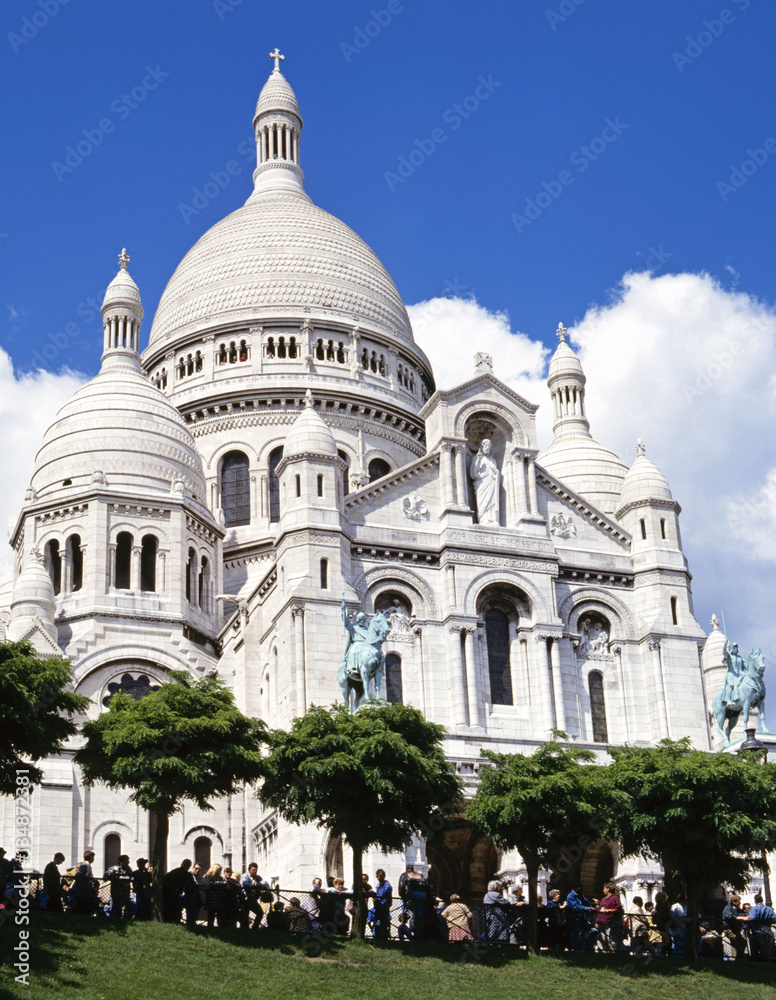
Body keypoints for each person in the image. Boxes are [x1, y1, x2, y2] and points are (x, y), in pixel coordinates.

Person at [399, 865, 436, 942]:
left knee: (410, 913)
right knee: (418, 914)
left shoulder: (404, 875)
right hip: (423, 896)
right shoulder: (420, 875)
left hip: (412, 895)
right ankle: (418, 933)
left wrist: (403, 896)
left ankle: (411, 928)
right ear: (413, 869)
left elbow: (401, 887)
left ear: (406, 869)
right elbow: (427, 887)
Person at [469, 438, 500, 525]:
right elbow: (473, 473)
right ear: (481, 447)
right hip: (481, 484)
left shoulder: (493, 460)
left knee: (492, 501)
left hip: (491, 482)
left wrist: (496, 473)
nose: (487, 448)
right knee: (483, 502)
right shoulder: (476, 457)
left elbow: (496, 472)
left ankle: (493, 519)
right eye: (485, 446)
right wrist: (478, 460)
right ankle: (483, 518)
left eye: (489, 446)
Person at [565, 882, 598, 951]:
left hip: (583, 918)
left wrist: (591, 908)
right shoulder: (570, 896)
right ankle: (576, 951)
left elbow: (586, 903)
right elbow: (575, 907)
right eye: (580, 888)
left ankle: (587, 948)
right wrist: (588, 908)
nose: (581, 889)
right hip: (575, 919)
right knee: (577, 935)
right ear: (576, 888)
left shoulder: (581, 895)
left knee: (594, 931)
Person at [746, 893, 776, 961]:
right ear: (762, 900)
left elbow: (752, 918)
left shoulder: (753, 909)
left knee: (755, 948)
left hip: (756, 931)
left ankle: (756, 960)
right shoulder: (769, 909)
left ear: (755, 901)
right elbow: (774, 918)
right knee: (767, 948)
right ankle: (766, 960)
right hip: (767, 930)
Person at [483, 880, 514, 946]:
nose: (500, 888)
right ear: (496, 887)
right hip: (497, 916)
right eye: (499, 886)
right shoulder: (496, 895)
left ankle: (490, 943)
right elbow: (506, 903)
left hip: (489, 915)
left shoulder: (487, 894)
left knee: (490, 930)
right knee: (498, 931)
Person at [163, 859, 193, 924]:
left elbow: (191, 884)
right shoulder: (175, 872)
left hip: (179, 894)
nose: (186, 866)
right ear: (182, 864)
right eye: (185, 864)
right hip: (172, 893)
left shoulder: (187, 874)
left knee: (177, 909)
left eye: (188, 865)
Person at [596, 883, 625, 952]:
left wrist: (610, 910)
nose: (603, 890)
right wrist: (597, 921)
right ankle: (601, 952)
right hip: (601, 922)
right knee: (601, 938)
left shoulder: (615, 898)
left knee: (611, 939)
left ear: (608, 889)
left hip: (610, 921)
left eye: (604, 889)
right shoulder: (603, 899)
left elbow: (618, 909)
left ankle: (612, 953)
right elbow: (600, 910)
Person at [241, 863, 270, 929]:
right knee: (245, 915)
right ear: (249, 870)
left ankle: (254, 928)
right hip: (245, 900)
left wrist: (261, 885)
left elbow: (264, 884)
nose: (254, 871)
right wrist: (254, 886)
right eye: (253, 870)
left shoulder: (258, 877)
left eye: (256, 870)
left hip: (253, 900)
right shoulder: (245, 876)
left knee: (260, 913)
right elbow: (244, 883)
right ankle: (245, 929)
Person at [70, 850, 98, 916]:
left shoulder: (87, 866)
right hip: (83, 894)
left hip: (86, 893)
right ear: (91, 857)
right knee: (82, 911)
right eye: (93, 857)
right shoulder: (84, 866)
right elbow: (78, 877)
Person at [721, 893, 746, 960]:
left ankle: (735, 959)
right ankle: (738, 958)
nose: (740, 903)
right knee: (742, 941)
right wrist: (741, 918)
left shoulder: (737, 909)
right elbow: (730, 916)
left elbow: (742, 914)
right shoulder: (728, 908)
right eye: (738, 901)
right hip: (729, 929)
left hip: (736, 929)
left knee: (736, 944)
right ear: (734, 902)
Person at [370, 869, 393, 941]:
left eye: (380, 876)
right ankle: (378, 937)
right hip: (378, 907)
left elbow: (383, 894)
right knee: (377, 922)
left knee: (383, 923)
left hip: (384, 907)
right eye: (377, 877)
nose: (379, 878)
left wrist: (375, 895)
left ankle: (384, 938)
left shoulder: (387, 885)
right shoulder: (378, 885)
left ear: (383, 876)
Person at [669, 892, 688, 957]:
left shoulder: (686, 907)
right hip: (677, 927)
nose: (686, 901)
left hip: (685, 927)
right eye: (685, 899)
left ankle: (683, 956)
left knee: (684, 942)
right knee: (677, 942)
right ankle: (677, 956)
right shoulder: (675, 906)